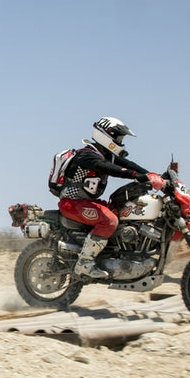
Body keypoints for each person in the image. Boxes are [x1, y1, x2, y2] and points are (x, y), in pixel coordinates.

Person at [58, 117, 166, 279]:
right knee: (110, 220)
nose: (121, 142)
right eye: (119, 138)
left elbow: (129, 165)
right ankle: (84, 263)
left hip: (87, 203)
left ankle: (112, 256)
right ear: (106, 136)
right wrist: (139, 176)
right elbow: (112, 169)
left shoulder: (105, 155)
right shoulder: (87, 155)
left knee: (121, 214)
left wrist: (152, 175)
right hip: (72, 203)